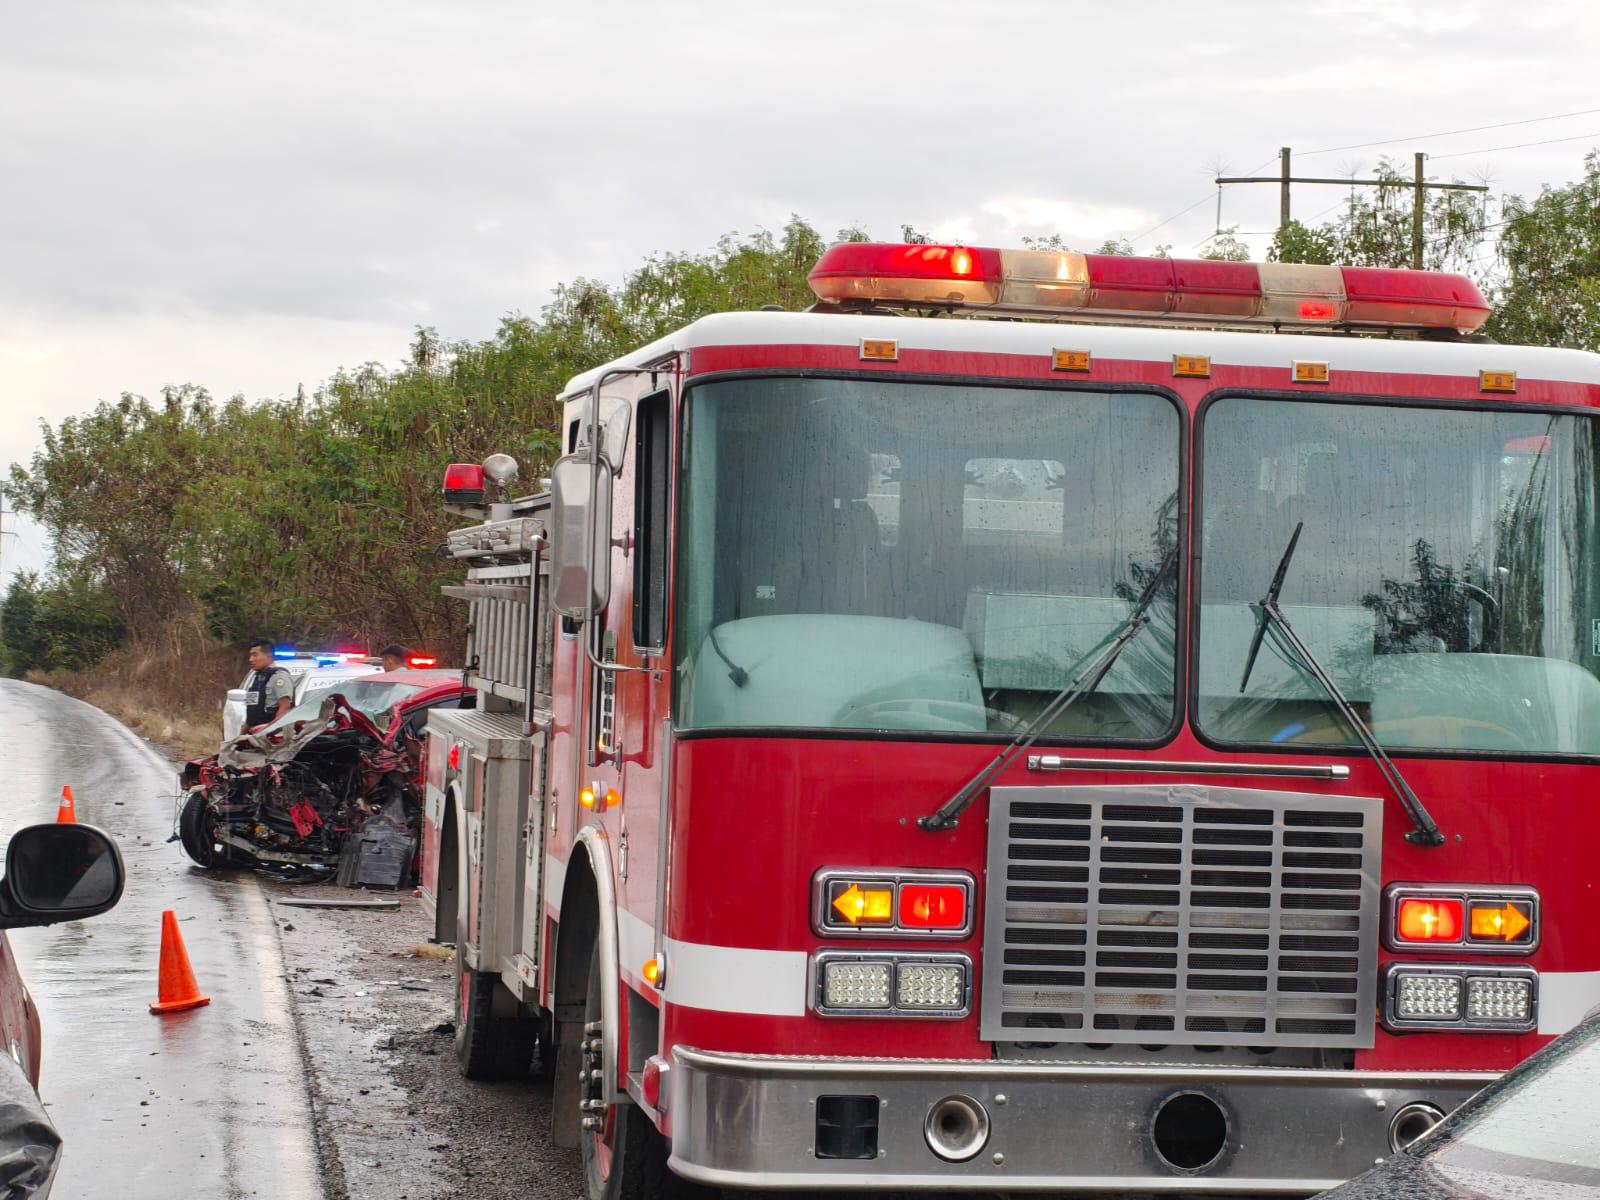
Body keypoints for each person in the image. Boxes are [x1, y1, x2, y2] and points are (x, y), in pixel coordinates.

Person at [243, 638, 294, 729]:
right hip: (254, 732)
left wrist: (268, 730)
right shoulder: (257, 678)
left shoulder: (279, 677)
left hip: (269, 736)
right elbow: (252, 710)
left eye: (255, 655)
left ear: (268, 656)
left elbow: (285, 707)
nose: (250, 659)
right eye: (250, 655)